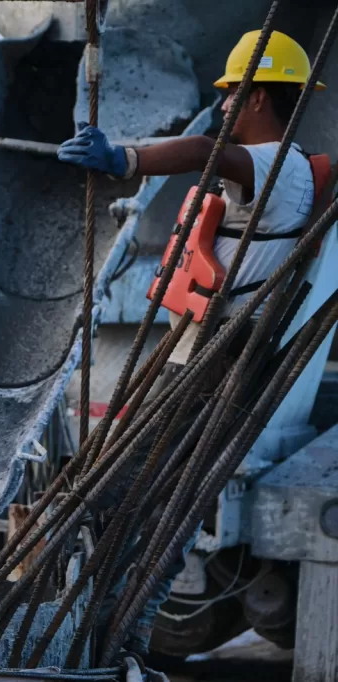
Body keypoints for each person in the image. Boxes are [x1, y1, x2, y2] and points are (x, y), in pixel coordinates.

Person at [57, 30, 326, 655]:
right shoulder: (281, 169)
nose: (225, 106)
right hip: (207, 356)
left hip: (213, 362)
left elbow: (208, 151)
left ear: (258, 97)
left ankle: (108, 639)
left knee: (125, 497)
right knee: (158, 511)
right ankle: (117, 638)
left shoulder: (275, 164)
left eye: (232, 95)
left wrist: (125, 159)